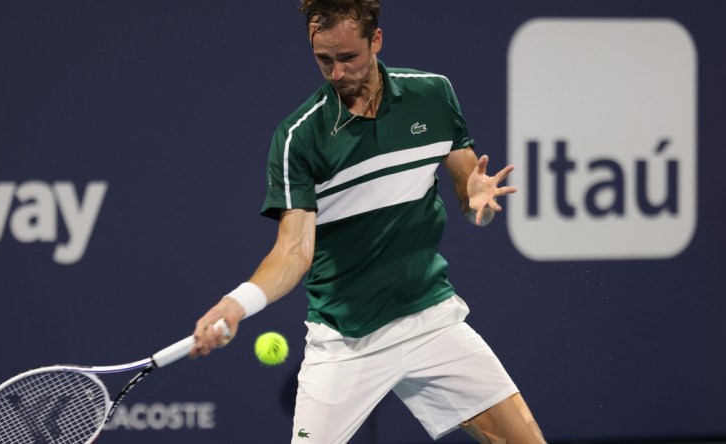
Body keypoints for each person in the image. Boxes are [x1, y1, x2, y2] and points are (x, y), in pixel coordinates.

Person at [191, 0, 545, 442]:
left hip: (428, 319)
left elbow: (466, 187)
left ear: (376, 41)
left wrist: (476, 200)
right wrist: (236, 303)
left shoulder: (433, 94)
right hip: (344, 341)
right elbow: (293, 251)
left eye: (348, 58)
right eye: (324, 60)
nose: (337, 73)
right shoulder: (298, 137)